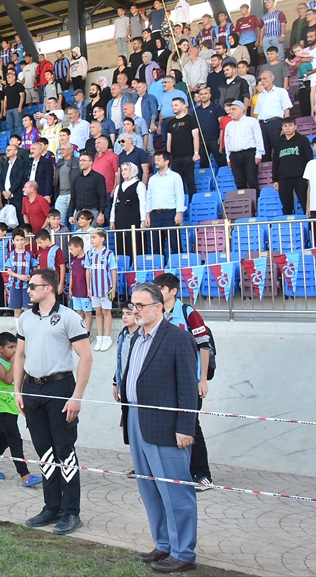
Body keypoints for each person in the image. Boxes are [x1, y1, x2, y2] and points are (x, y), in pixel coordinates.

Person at [120, 282, 200, 573]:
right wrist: (124, 420)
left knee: (175, 492)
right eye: (133, 304)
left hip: (167, 427)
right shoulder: (134, 338)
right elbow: (132, 380)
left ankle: (183, 553)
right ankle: (164, 543)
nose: (135, 310)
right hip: (137, 420)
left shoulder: (178, 338)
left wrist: (185, 427)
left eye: (140, 305)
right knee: (150, 489)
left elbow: (188, 388)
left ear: (158, 307)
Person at [14, 267, 93, 535]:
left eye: (33, 286)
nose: (28, 290)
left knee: (64, 451)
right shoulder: (25, 318)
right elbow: (20, 356)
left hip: (60, 387)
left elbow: (86, 357)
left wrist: (76, 396)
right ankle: (52, 507)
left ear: (48, 288)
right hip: (32, 389)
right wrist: (17, 391)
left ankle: (72, 512)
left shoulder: (69, 317)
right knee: (44, 452)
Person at [153, 273, 215, 492]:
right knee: (165, 425)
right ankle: (175, 470)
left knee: (191, 425)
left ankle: (203, 474)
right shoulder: (157, 313)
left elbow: (204, 347)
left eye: (161, 288)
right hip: (165, 382)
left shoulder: (189, 313)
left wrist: (203, 380)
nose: (157, 291)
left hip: (189, 381)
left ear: (173, 291)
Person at [0, 331, 43, 488]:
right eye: (10, 347)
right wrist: (17, 360)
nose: (14, 350)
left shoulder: (16, 362)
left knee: (3, 439)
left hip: (12, 407)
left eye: (16, 346)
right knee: (15, 440)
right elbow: (9, 379)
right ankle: (25, 475)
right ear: (1, 348)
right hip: (2, 408)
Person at [84, 230, 118, 350]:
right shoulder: (89, 254)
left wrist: (113, 288)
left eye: (94, 237)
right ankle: (100, 337)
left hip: (106, 289)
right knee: (97, 312)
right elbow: (88, 271)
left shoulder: (108, 253)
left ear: (102, 239)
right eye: (91, 237)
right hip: (94, 289)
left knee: (106, 311)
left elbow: (113, 271)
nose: (92, 239)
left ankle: (107, 337)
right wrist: (88, 288)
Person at [272, 118, 313, 216]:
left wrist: (309, 176)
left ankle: (311, 228)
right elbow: (276, 162)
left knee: (306, 203)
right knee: (286, 206)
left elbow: (309, 159)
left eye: (290, 125)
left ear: (295, 126)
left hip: (301, 177)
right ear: (282, 128)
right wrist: (275, 179)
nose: (288, 128)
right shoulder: (278, 143)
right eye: (285, 126)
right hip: (283, 178)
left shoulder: (303, 140)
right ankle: (289, 229)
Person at [222, 100, 264, 192]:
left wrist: (259, 154)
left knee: (252, 180)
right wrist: (228, 158)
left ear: (242, 110)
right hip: (234, 155)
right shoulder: (229, 125)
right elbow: (227, 142)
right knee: (239, 181)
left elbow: (258, 138)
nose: (231, 111)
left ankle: (254, 203)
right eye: (230, 109)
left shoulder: (252, 121)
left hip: (249, 153)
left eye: (234, 109)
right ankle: (243, 203)